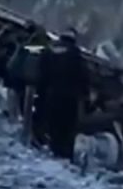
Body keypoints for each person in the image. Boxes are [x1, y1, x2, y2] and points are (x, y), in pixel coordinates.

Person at [38, 29, 90, 160]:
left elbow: (41, 76)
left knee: (53, 130)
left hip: (50, 98)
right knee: (67, 133)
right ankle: (66, 157)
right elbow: (83, 79)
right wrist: (86, 98)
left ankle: (52, 153)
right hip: (69, 101)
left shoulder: (47, 51)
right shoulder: (75, 53)